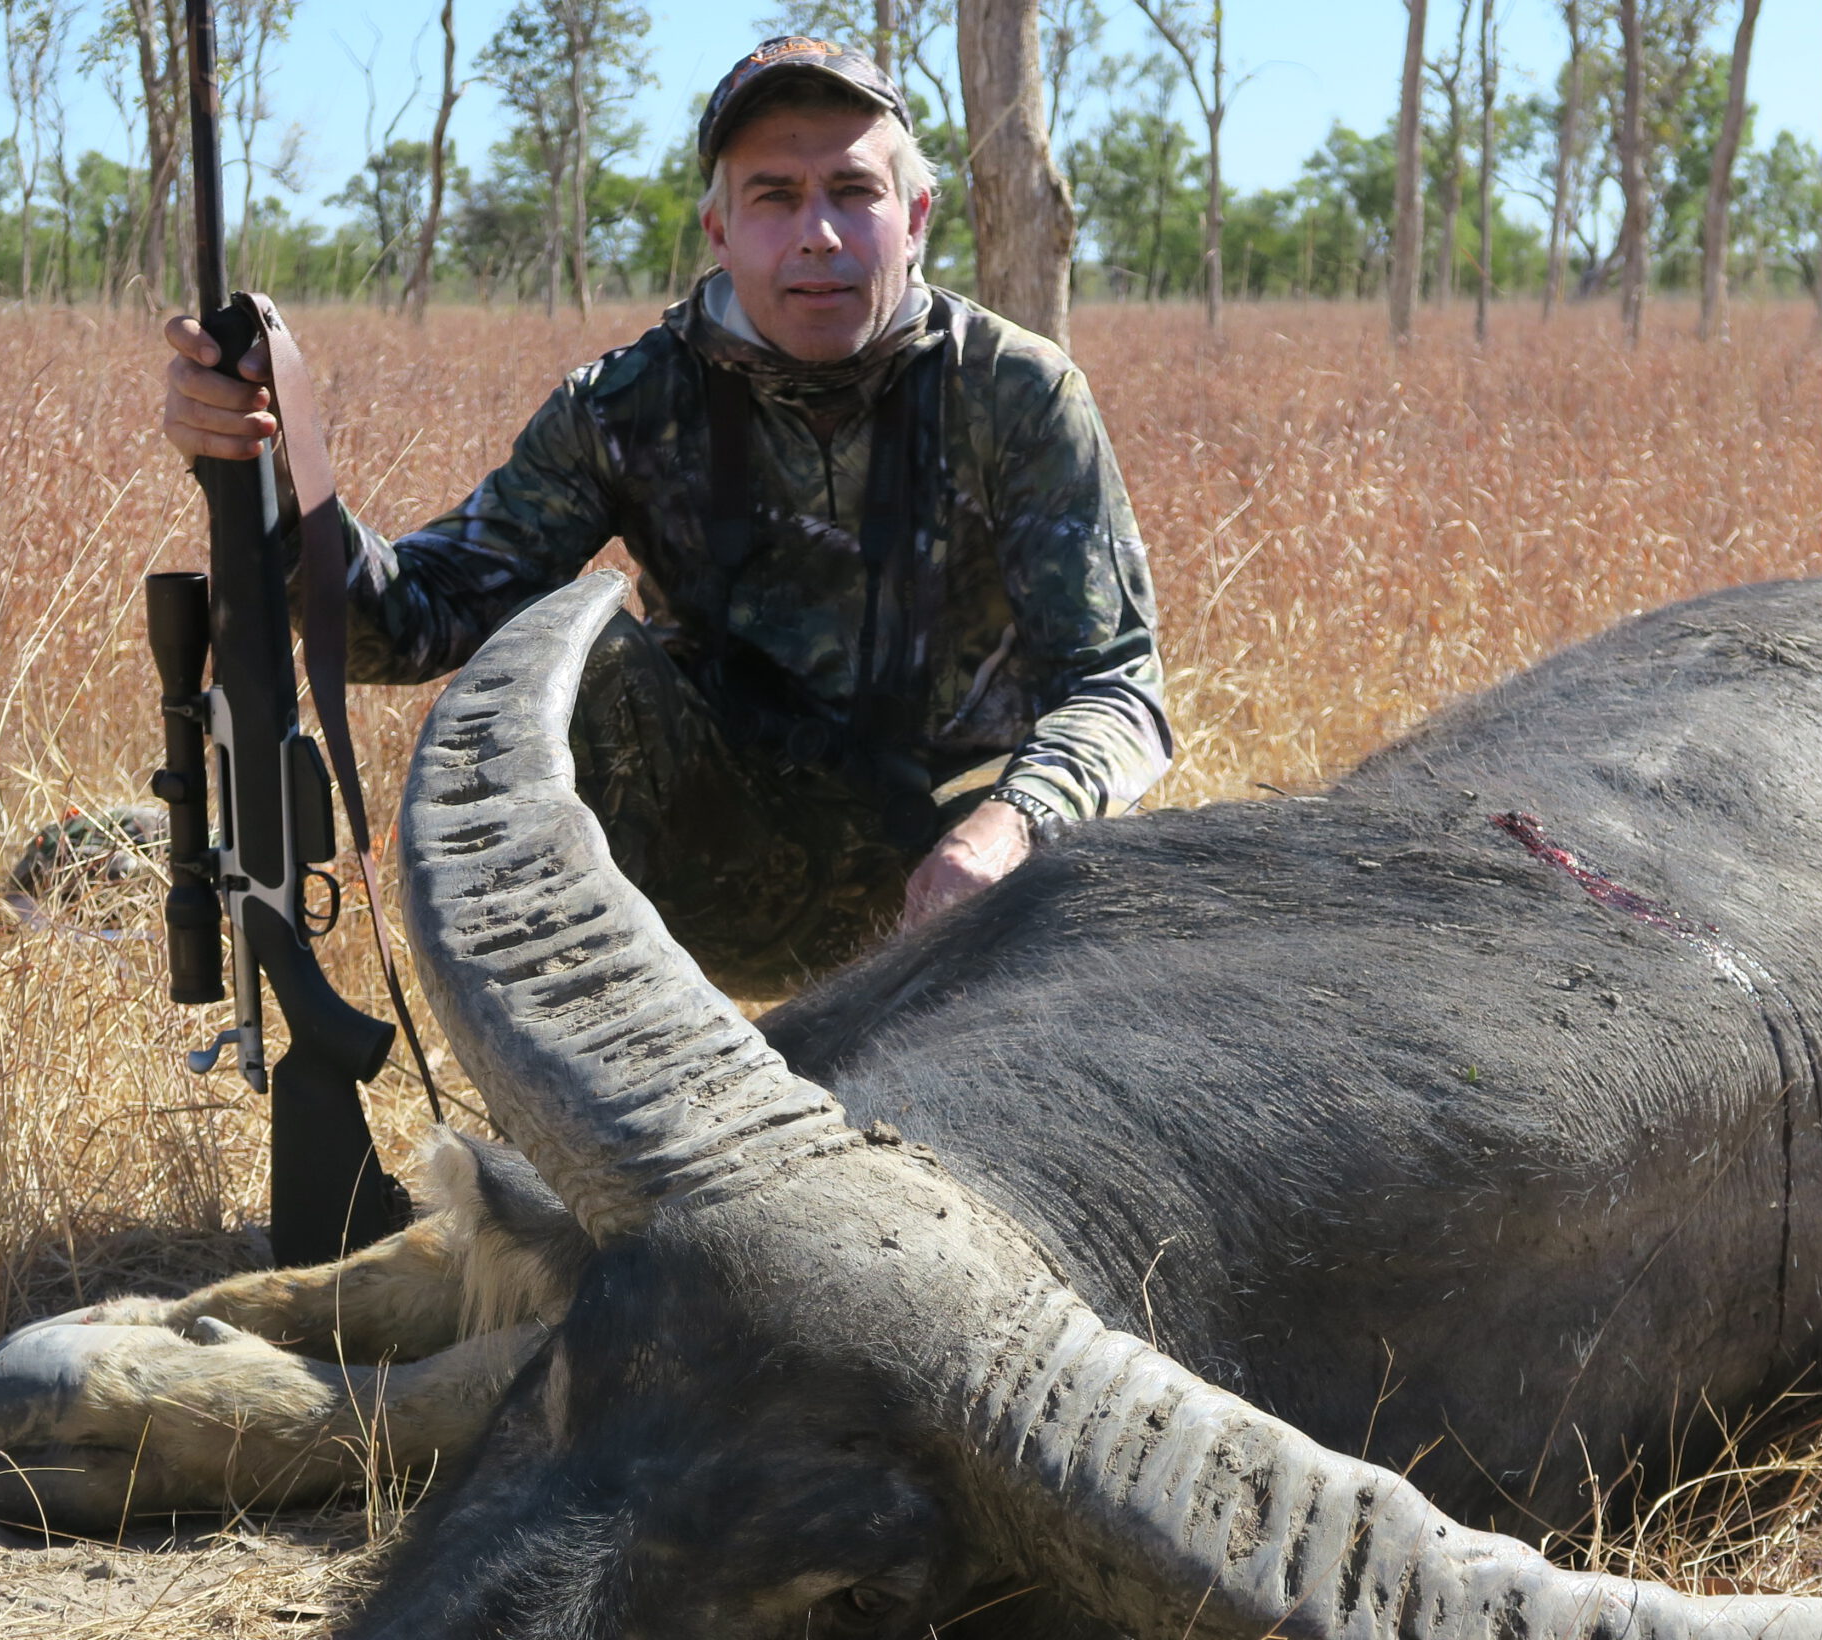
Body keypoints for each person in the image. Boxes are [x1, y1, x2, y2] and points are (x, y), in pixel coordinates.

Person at [159, 36, 1173, 992]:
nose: (818, 232)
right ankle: (587, 1098)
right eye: (775, 196)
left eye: (853, 191)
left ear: (915, 215)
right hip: (723, 866)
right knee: (572, 653)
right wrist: (281, 485)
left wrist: (1005, 830)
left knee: (1097, 842)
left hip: (968, 887)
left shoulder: (1019, 392)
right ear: (720, 231)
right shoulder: (627, 402)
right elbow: (417, 620)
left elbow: (1119, 688)